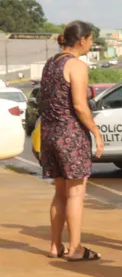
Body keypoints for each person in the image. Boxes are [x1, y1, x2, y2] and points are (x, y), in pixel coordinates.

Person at [39, 21, 104, 262]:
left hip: (49, 133)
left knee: (59, 192)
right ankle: (75, 248)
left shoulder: (51, 63)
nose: (92, 43)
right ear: (80, 41)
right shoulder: (75, 65)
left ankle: (55, 245)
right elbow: (79, 105)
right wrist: (96, 132)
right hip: (70, 135)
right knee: (76, 193)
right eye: (90, 39)